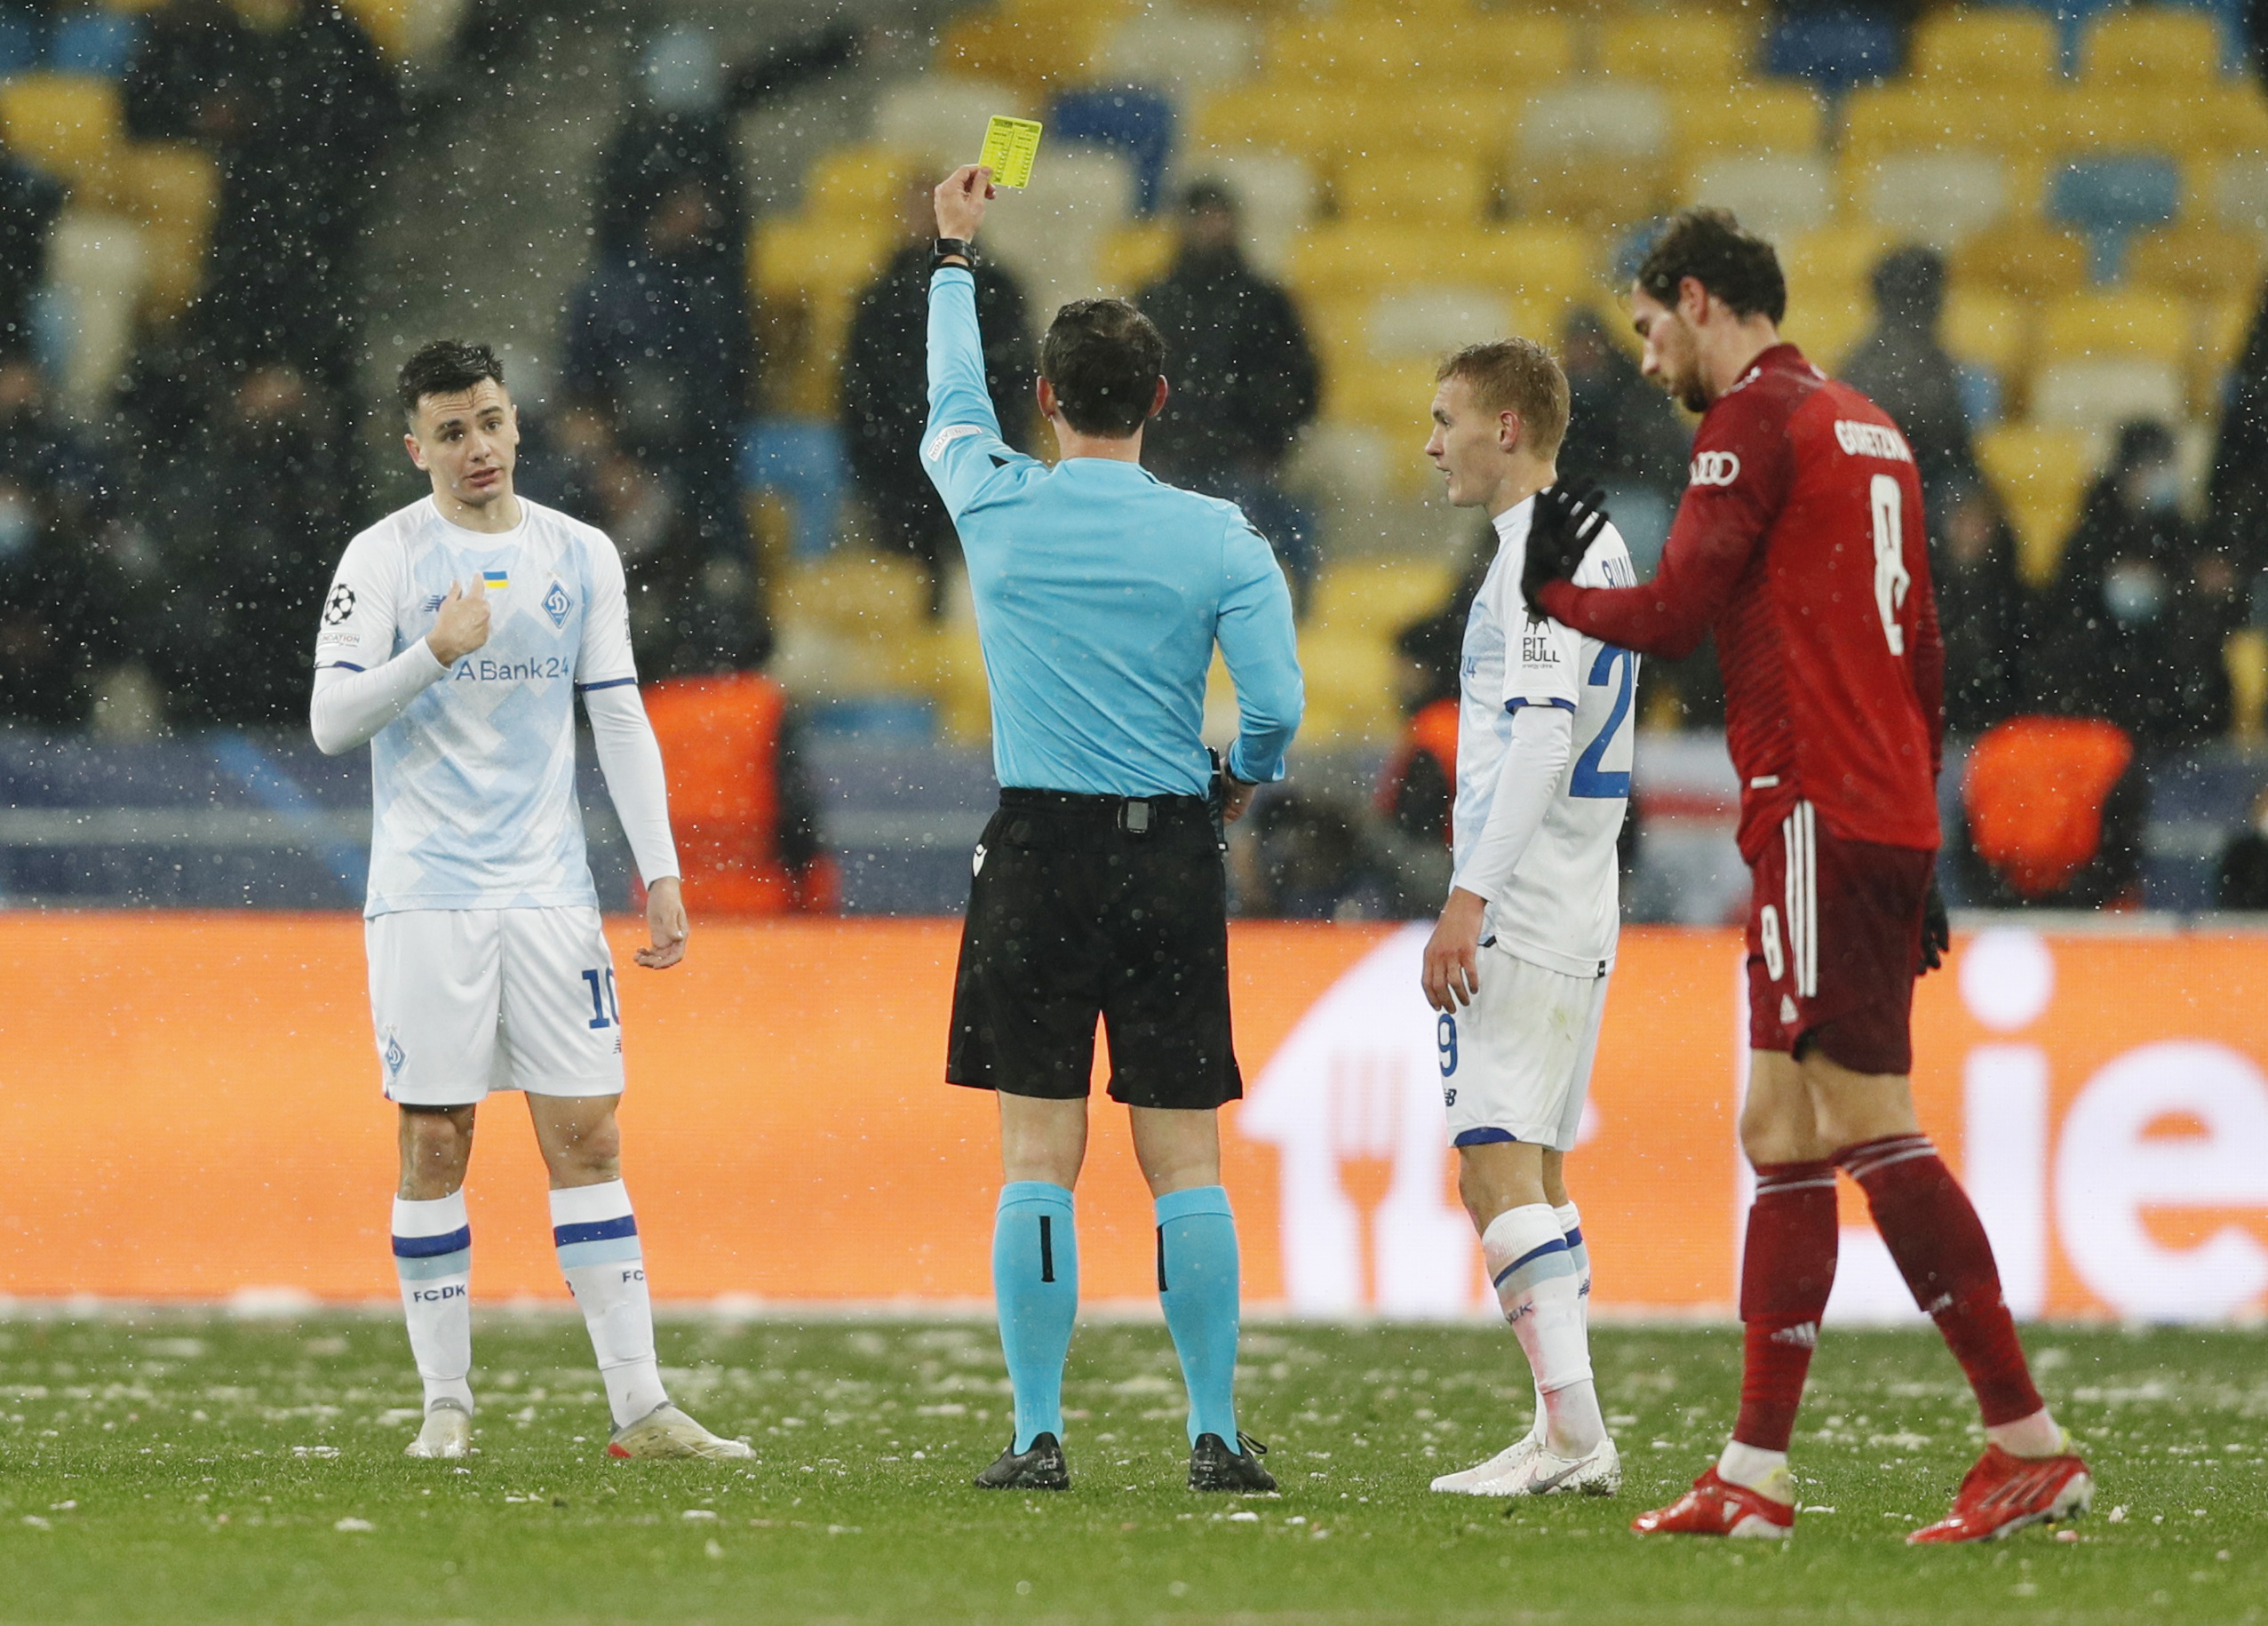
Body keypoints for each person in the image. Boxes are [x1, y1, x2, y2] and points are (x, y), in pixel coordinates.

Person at [1522, 209, 2089, 1543]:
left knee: (1866, 1118)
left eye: (1650, 327)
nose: (1647, 358)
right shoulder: (1869, 423)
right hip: (1873, 805)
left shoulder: (1752, 422)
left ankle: (2025, 1440)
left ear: (1699, 299)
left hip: (1816, 809)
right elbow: (1924, 646)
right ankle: (1754, 1472)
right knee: (1779, 1128)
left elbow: (1671, 613)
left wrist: (1553, 593)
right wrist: (1920, 831)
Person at [922, 163, 1303, 1494]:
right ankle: (1213, 1432)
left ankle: (1038, 1433)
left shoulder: (996, 500)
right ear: (1160, 399)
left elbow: (948, 406)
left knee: (1040, 1154)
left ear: (1044, 398)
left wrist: (953, 258)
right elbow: (1279, 705)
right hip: (1164, 854)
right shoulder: (1218, 536)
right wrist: (1240, 774)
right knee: (1183, 1154)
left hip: (1036, 853)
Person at [308, 340, 747, 1463]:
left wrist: (660, 870)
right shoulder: (382, 557)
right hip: (427, 895)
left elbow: (619, 713)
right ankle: (445, 1405)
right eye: (451, 432)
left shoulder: (579, 552)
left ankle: (641, 1408)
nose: (479, 447)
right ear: (415, 447)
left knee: (589, 1135)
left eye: (492, 422)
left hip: (551, 893)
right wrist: (432, 651)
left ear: (515, 423)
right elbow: (331, 721)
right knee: (436, 1142)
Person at [1415, 339, 1635, 1499]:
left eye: (1446, 419)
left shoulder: (1539, 547)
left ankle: (1575, 1436)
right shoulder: (1593, 532)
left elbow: (1544, 737)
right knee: (1534, 1172)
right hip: (1578, 894)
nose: (1431, 444)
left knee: (1494, 1169)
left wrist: (1470, 894)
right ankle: (1566, 1431)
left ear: (1506, 427)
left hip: (1527, 901)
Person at [840, 177, 1031, 616]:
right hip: (902, 476)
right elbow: (859, 395)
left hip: (974, 471)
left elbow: (1014, 380)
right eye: (915, 209)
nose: (922, 221)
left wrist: (994, 457)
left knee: (977, 603)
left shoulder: (996, 290)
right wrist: (880, 468)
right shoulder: (879, 298)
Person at [1134, 180, 1322, 609]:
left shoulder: (1266, 302)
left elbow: (1301, 383)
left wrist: (1264, 443)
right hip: (1169, 463)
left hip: (1246, 463)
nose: (1208, 228)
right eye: (1200, 217)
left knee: (1248, 561)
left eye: (1216, 217)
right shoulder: (1155, 300)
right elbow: (1131, 380)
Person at [2036, 419, 2236, 748]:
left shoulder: (2183, 535)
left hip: (2171, 701)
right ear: (2126, 470)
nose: (2160, 477)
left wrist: (2200, 594)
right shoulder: (2092, 533)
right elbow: (2064, 611)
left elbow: (2206, 624)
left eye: (2164, 465)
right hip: (2103, 684)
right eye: (2151, 466)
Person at [1836, 246, 1978, 512]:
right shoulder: (1932, 363)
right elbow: (1955, 449)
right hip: (1919, 499)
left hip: (1863, 497)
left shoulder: (1856, 362)